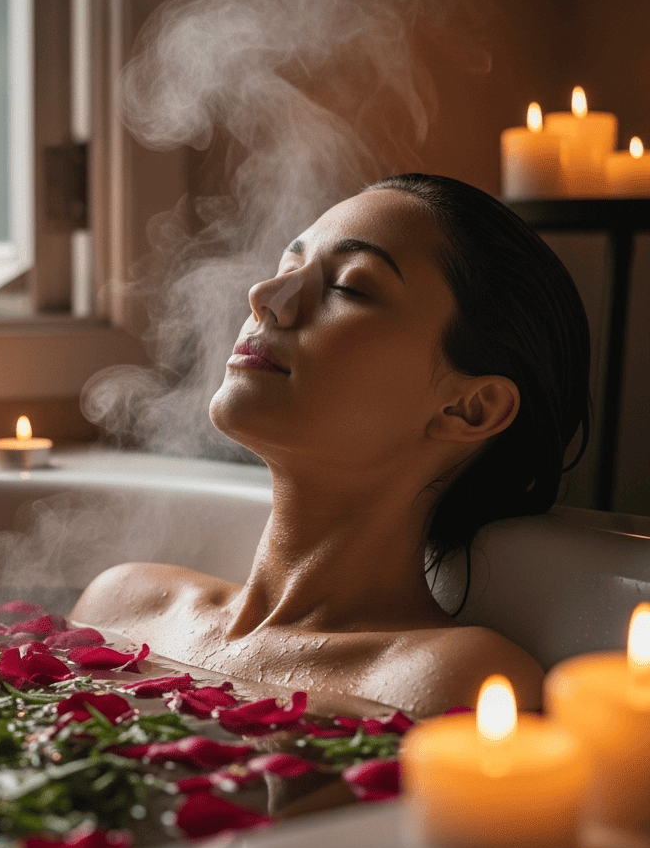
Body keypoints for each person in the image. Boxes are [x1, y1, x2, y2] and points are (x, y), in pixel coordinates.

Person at [70, 174, 591, 717]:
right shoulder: (124, 604)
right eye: (287, 269)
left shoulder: (448, 678)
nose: (265, 297)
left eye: (349, 287)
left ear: (469, 408)